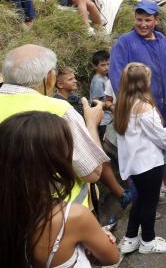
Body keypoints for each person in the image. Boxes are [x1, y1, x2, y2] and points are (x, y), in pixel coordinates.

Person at [0, 111, 120, 267]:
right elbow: (111, 257)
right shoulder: (72, 217)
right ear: (53, 161)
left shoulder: (10, 209)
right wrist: (94, 237)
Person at [0, 45, 109, 208]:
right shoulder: (59, 111)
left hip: (10, 217)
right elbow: (93, 173)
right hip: (63, 220)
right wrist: (91, 124)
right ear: (50, 77)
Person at [109, 0, 166, 194]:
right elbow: (117, 76)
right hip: (137, 111)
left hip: (161, 108)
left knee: (157, 152)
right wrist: (134, 104)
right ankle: (141, 201)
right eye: (139, 19)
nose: (143, 24)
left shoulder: (162, 41)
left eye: (148, 20)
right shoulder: (124, 43)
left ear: (156, 20)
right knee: (140, 156)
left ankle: (158, 189)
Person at [114, 63, 166, 255]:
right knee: (149, 203)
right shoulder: (143, 106)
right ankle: (148, 242)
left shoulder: (122, 104)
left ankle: (131, 238)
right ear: (143, 82)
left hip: (133, 164)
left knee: (139, 201)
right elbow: (158, 134)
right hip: (148, 163)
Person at [90, 50, 115, 141]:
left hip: (108, 118)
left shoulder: (105, 77)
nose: (107, 67)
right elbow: (95, 101)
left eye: (108, 64)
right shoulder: (98, 81)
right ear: (95, 66)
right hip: (103, 120)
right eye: (103, 65)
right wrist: (110, 105)